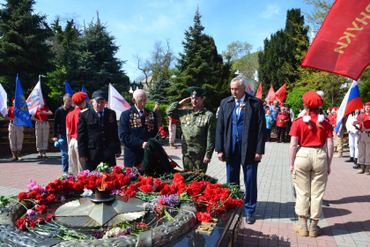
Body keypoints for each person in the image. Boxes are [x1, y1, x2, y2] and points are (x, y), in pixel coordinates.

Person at [215, 76, 265, 224]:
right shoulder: (225, 103)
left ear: (244, 88)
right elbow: (220, 128)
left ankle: (249, 209)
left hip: (249, 149)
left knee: (250, 180)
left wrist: (259, 150)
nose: (233, 91)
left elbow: (261, 129)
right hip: (230, 148)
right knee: (231, 179)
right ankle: (233, 205)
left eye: (236, 89)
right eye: (231, 89)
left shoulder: (255, 103)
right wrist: (219, 149)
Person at [289, 91, 333, 238]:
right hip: (320, 155)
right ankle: (313, 227)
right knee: (317, 193)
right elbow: (330, 145)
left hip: (303, 154)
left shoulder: (298, 122)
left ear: (305, 105)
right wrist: (329, 164)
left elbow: (293, 145)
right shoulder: (326, 122)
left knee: (302, 192)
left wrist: (291, 164)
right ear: (320, 105)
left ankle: (302, 226)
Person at [167, 86, 216, 173]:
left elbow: (211, 137)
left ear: (202, 99)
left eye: (197, 98)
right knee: (187, 179)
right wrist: (179, 103)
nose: (194, 101)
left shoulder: (208, 115)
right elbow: (169, 112)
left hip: (200, 155)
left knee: (199, 181)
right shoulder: (185, 112)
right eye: (192, 98)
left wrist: (208, 155)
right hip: (187, 154)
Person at [77, 91, 121, 171]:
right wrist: (82, 153)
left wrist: (117, 149)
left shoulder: (111, 113)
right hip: (93, 153)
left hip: (109, 152)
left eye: (102, 102)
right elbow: (81, 136)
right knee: (93, 178)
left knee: (110, 176)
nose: (100, 105)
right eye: (98, 102)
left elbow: (115, 132)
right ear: (92, 102)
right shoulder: (85, 114)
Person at [119, 89, 158, 167]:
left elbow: (156, 133)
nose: (143, 103)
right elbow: (123, 136)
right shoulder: (126, 115)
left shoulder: (151, 114)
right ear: (134, 100)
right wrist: (141, 143)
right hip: (133, 157)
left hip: (149, 156)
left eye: (145, 100)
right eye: (140, 100)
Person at [66, 92, 87, 176]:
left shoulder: (69, 114)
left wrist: (68, 146)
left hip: (72, 142)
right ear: (83, 101)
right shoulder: (85, 114)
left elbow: (67, 133)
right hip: (82, 142)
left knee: (72, 169)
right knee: (83, 169)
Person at [52, 94, 74, 173]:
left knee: (72, 153)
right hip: (63, 134)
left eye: (71, 100)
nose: (70, 102)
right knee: (65, 153)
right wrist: (54, 135)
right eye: (69, 100)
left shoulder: (73, 110)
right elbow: (55, 124)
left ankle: (72, 169)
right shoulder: (59, 110)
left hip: (72, 134)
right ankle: (65, 170)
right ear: (64, 100)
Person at [4, 97, 24, 161]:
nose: (15, 102)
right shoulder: (10, 108)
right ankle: (14, 155)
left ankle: (18, 155)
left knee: (19, 139)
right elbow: (6, 116)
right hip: (12, 125)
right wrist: (13, 119)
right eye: (14, 101)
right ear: (12, 102)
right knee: (12, 140)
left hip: (19, 125)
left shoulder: (21, 109)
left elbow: (25, 116)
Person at [353, 102, 370, 175]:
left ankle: (367, 168)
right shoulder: (361, 115)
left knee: (368, 152)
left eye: (368, 107)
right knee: (361, 151)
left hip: (368, 135)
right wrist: (359, 121)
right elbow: (353, 123)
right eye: (366, 107)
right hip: (361, 135)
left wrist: (367, 130)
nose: (367, 108)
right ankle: (361, 167)